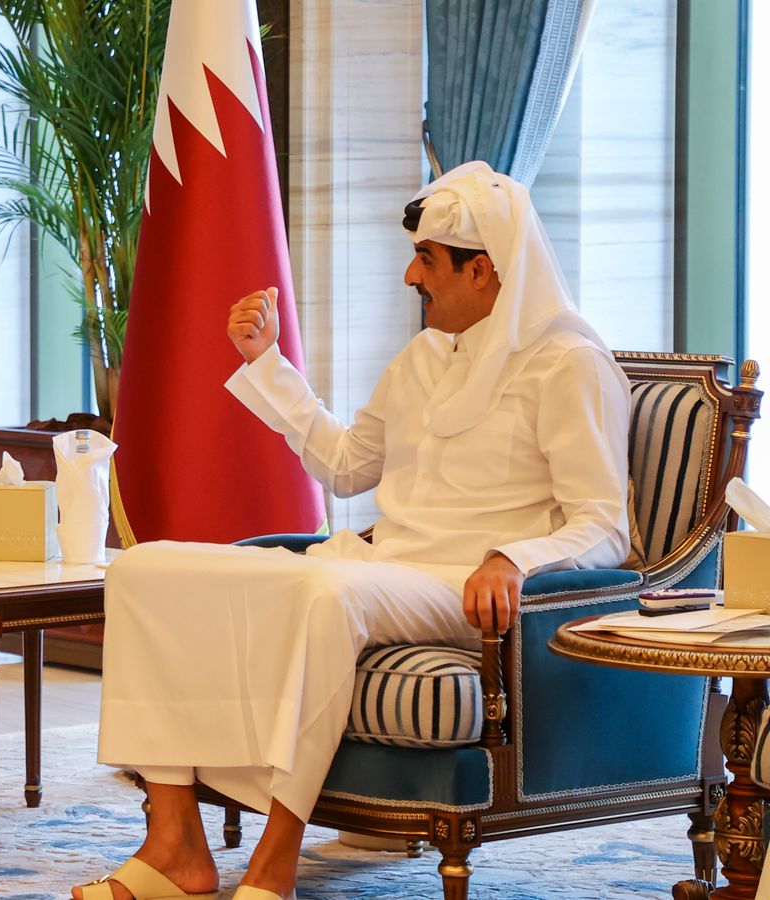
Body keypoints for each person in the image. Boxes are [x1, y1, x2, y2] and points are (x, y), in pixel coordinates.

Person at [73, 161, 631, 900]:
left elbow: (604, 526)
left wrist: (514, 558)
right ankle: (175, 843)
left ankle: (275, 859)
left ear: (486, 272)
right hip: (378, 567)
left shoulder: (569, 363)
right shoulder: (424, 358)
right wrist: (265, 363)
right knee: (149, 570)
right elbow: (343, 466)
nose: (410, 277)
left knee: (328, 594)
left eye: (426, 261)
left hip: (461, 588)